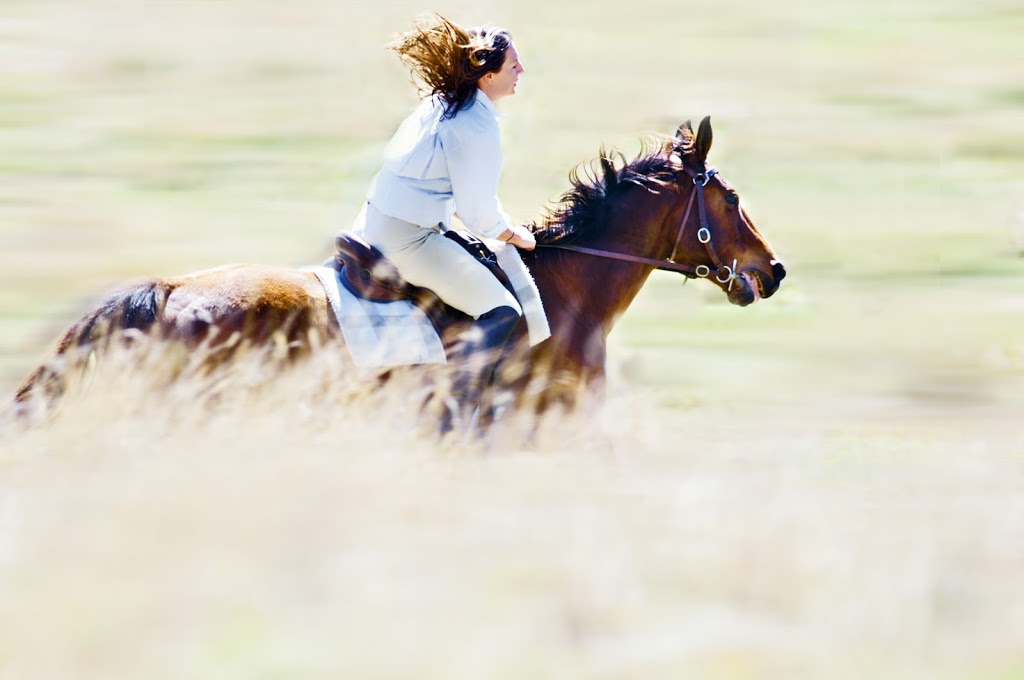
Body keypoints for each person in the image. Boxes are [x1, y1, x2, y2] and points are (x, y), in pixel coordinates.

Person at [353, 14, 535, 427]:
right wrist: (513, 234)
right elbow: (478, 212)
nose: (521, 70)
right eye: (513, 65)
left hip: (378, 214)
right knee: (503, 310)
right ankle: (451, 417)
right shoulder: (476, 126)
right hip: (408, 238)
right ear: (487, 77)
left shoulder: (444, 100)